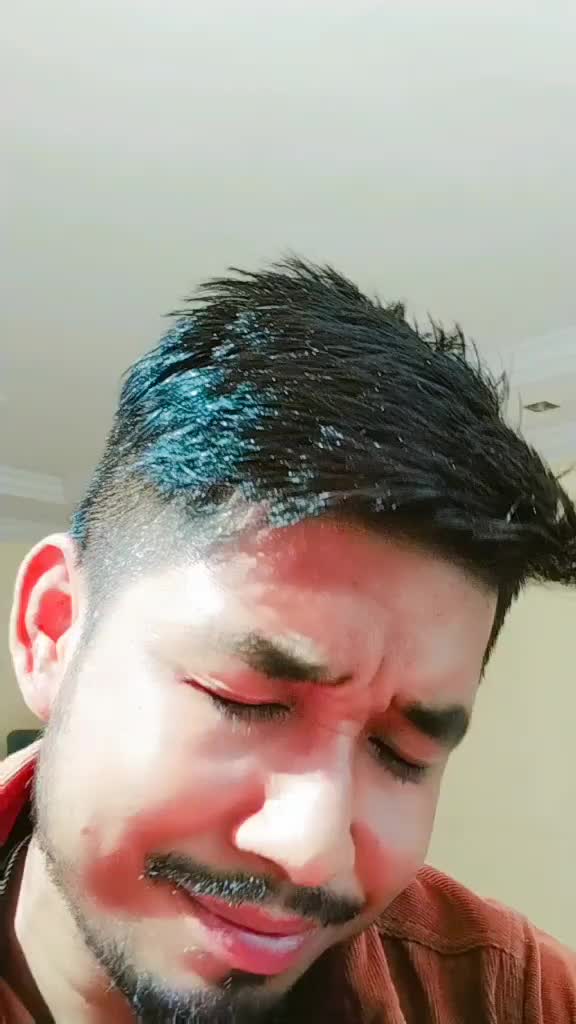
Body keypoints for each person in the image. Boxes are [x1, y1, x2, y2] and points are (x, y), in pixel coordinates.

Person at [1, 258, 575, 1024]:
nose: (311, 850)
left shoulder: (508, 994)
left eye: (402, 754)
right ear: (53, 632)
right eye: (245, 702)